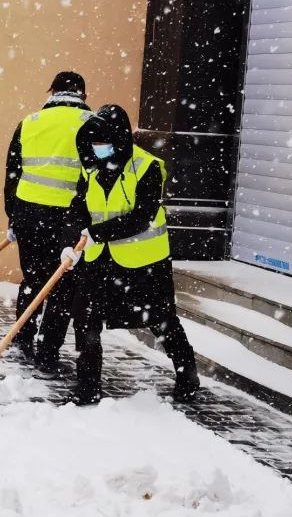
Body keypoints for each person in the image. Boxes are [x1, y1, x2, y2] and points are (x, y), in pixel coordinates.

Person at [63, 105, 199, 406]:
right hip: (99, 259)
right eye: (94, 143)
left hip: (143, 262)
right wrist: (70, 238)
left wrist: (98, 231)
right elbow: (78, 206)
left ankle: (187, 375)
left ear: (119, 139)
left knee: (160, 320)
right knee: (85, 319)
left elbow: (142, 216)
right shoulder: (92, 169)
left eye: (104, 142)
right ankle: (87, 387)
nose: (98, 149)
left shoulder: (146, 166)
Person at [3, 71, 93, 372]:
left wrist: (13, 216)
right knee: (62, 286)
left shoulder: (30, 122)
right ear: (83, 94)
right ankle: (47, 352)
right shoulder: (92, 124)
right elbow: (95, 178)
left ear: (52, 91)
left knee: (32, 279)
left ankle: (22, 337)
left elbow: (12, 173)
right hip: (68, 219)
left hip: (29, 214)